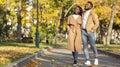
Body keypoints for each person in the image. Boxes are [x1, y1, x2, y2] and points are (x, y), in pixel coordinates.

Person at [82, 1, 99, 65]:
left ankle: (96, 58)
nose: (86, 5)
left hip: (90, 32)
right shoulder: (83, 13)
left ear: (91, 6)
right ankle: (87, 60)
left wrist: (92, 29)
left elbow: (97, 23)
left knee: (92, 45)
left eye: (88, 5)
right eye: (86, 4)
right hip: (83, 31)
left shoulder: (93, 14)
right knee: (85, 46)